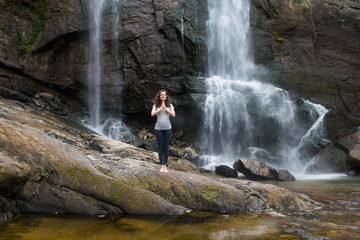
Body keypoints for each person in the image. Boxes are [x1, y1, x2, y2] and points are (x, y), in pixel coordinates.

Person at [151, 89, 175, 173]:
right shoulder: (156, 105)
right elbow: (152, 114)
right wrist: (160, 108)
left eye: (164, 95)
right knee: (160, 147)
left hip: (168, 128)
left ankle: (165, 166)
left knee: (166, 147)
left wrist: (166, 108)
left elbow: (173, 115)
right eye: (161, 95)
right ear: (159, 96)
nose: (163, 96)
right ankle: (161, 166)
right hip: (158, 129)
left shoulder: (170, 105)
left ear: (166, 96)